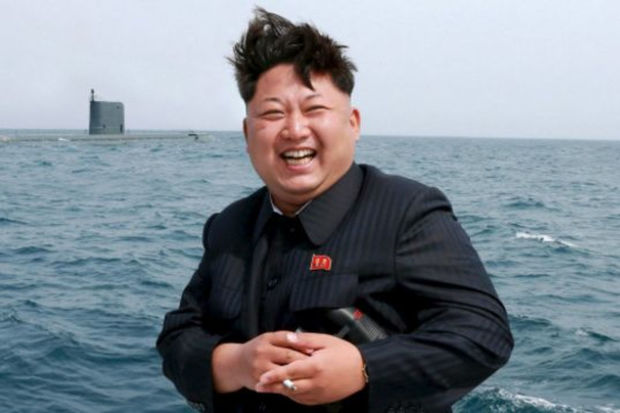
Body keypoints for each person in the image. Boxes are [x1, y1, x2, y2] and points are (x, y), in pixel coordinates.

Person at [157, 8, 513, 413]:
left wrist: (363, 369)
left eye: (314, 110)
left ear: (353, 123)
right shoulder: (229, 225)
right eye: (272, 113)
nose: (295, 130)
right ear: (247, 132)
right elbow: (177, 337)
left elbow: (484, 334)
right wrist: (233, 363)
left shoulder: (407, 212)